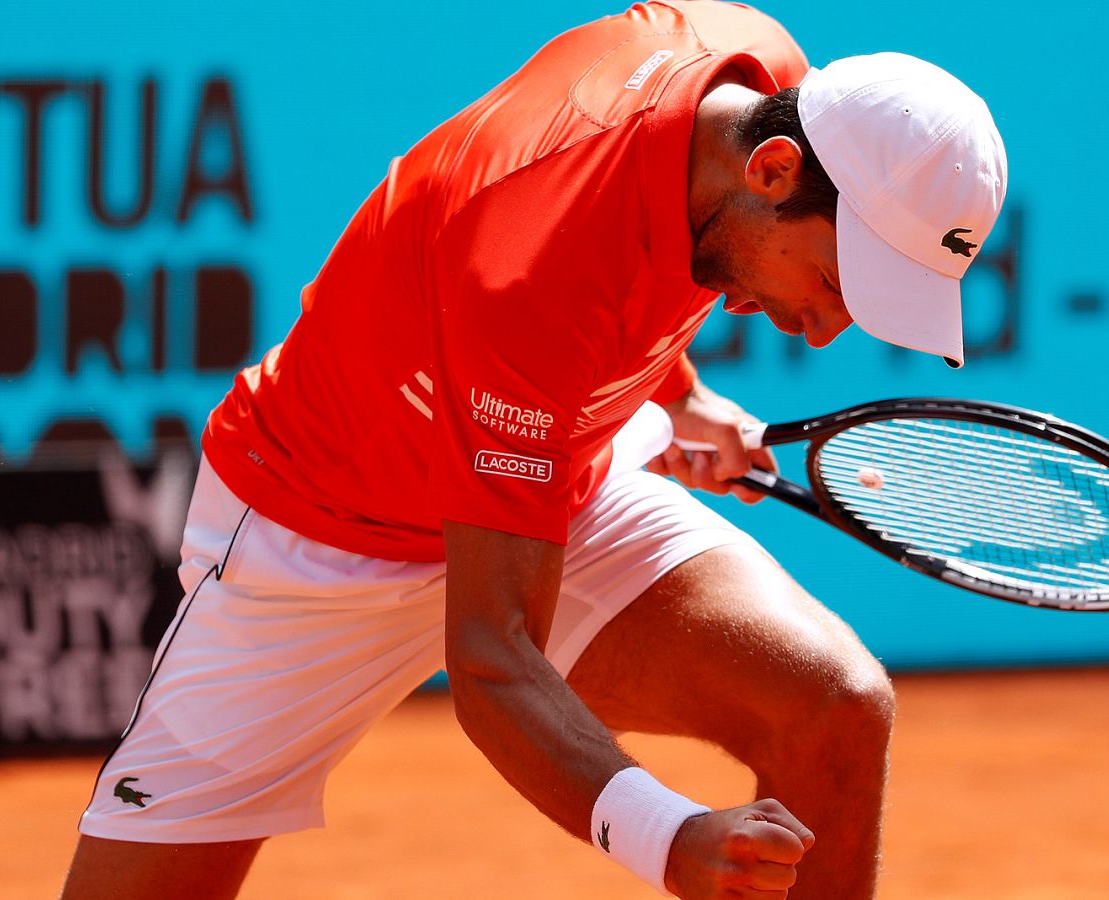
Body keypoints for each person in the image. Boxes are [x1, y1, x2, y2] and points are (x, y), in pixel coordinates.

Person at [60, 1, 1006, 897]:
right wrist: (668, 839)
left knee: (833, 709)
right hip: (315, 535)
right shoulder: (529, 261)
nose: (826, 331)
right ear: (771, 169)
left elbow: (630, 254)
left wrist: (684, 398)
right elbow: (489, 658)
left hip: (550, 481)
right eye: (842, 283)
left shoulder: (754, 82)